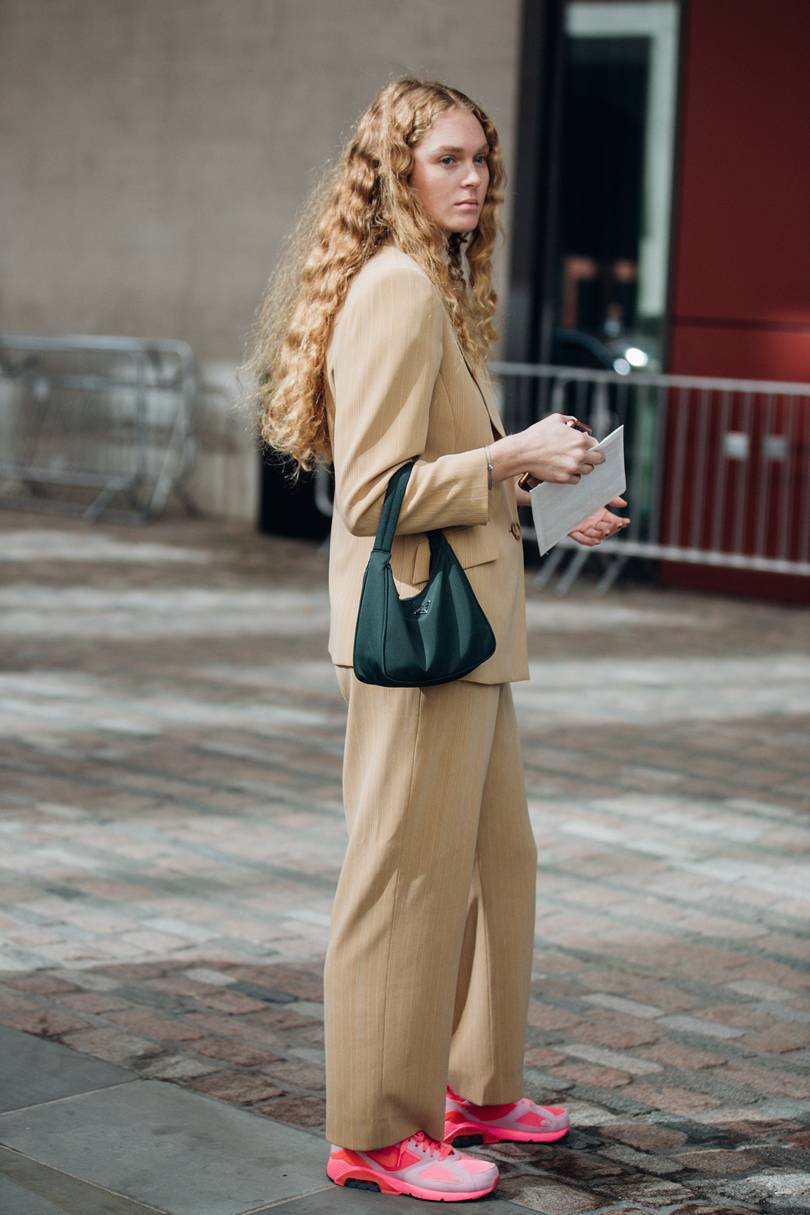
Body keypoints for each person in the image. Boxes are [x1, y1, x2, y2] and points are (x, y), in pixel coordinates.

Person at [243, 77, 629, 1205]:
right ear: (397, 169)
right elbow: (373, 494)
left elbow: (440, 467)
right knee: (405, 879)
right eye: (449, 159)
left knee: (496, 865)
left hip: (465, 628)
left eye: (481, 160)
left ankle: (475, 1086)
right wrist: (515, 456)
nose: (474, 179)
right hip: (419, 635)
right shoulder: (397, 290)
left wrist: (543, 498)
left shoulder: (433, 284)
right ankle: (375, 1129)